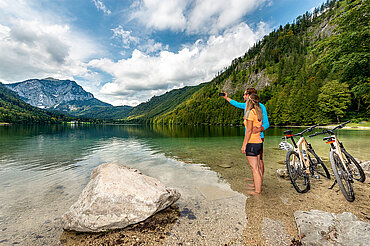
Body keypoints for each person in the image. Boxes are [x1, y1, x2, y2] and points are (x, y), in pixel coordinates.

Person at [221, 88, 269, 177]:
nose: (243, 96)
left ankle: (259, 181)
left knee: (259, 161)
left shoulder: (261, 106)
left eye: (244, 94)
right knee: (256, 162)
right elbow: (236, 104)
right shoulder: (246, 106)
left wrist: (259, 129)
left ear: (248, 95)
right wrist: (226, 98)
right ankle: (257, 180)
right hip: (250, 139)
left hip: (258, 138)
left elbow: (266, 123)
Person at [241, 93, 263, 194]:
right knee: (258, 167)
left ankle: (257, 192)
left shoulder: (250, 113)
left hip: (252, 143)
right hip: (259, 143)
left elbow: (249, 131)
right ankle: (258, 188)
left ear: (249, 102)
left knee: (254, 169)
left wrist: (244, 145)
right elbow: (257, 128)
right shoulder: (259, 113)